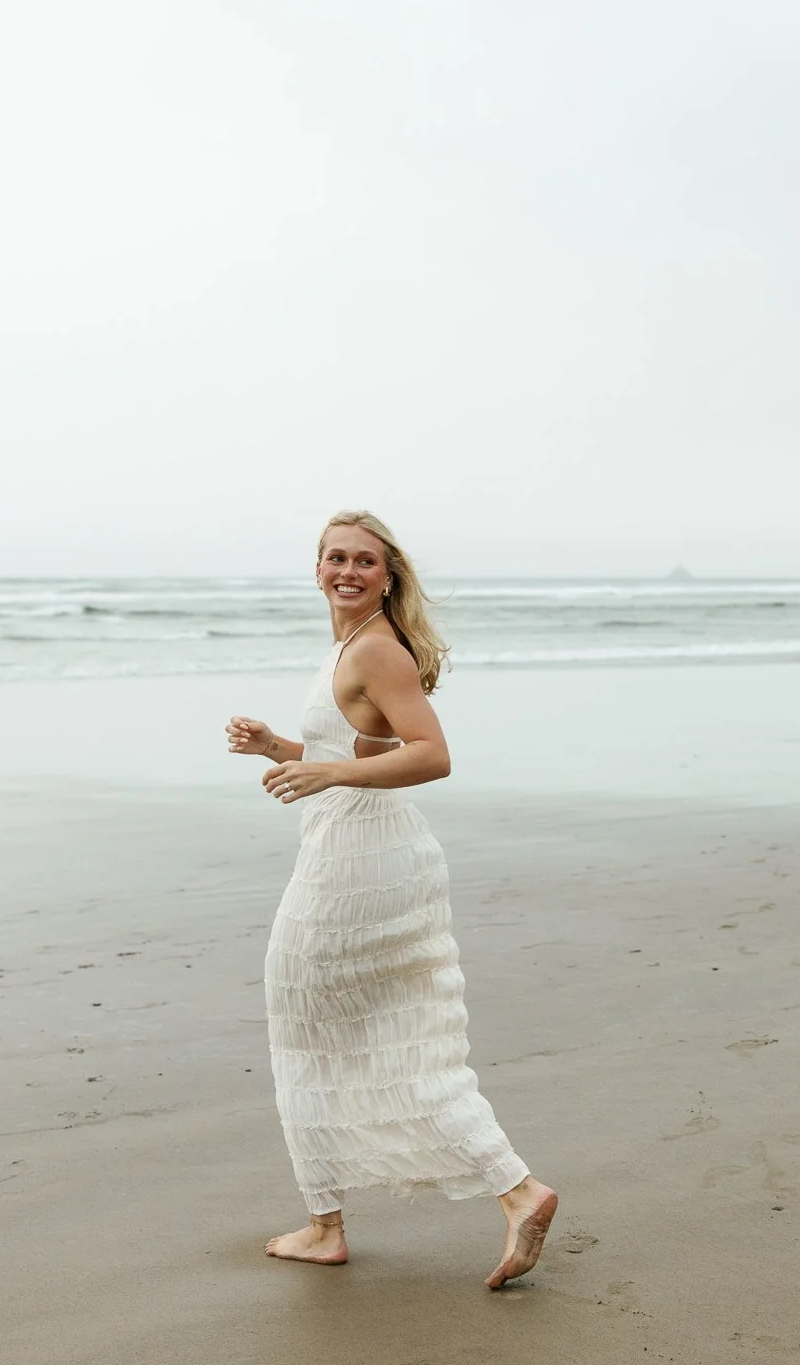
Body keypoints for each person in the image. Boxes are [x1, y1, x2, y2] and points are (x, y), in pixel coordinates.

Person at [226, 509, 557, 1287]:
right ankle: (510, 1191)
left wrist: (330, 775)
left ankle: (329, 1226)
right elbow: (355, 749)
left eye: (364, 561)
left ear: (388, 575)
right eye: (335, 558)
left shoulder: (375, 648)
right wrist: (280, 748)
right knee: (383, 1037)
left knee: (304, 1027)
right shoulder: (351, 644)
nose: (348, 570)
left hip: (357, 860)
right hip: (368, 853)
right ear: (316, 569)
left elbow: (432, 756)